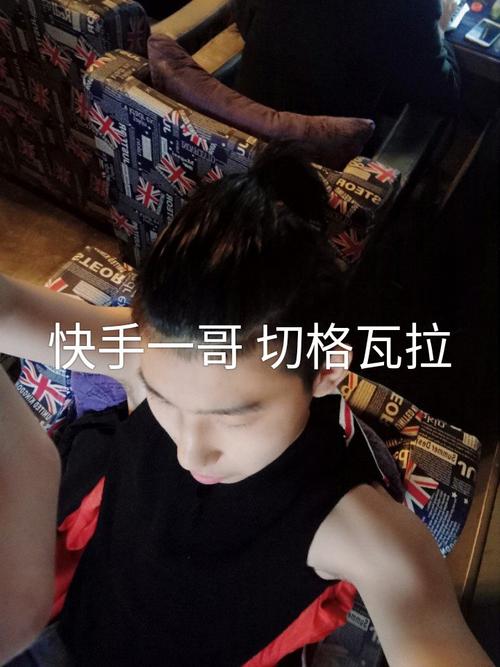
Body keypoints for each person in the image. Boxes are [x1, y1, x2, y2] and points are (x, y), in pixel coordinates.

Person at [0, 144, 493, 666]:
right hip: (64, 632)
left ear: (327, 370)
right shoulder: (142, 352)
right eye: (162, 399)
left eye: (232, 418)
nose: (190, 453)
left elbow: (430, 631)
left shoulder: (357, 527)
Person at [232, 0, 461, 119]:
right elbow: (441, 93)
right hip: (325, 162)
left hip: (242, 131)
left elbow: (244, 21)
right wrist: (440, 28)